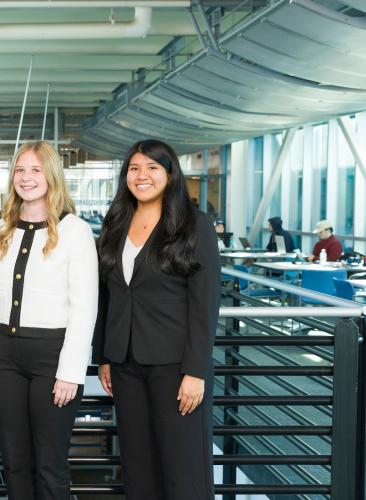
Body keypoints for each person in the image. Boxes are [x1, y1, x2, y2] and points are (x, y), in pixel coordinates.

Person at [0, 140, 99, 499]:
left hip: (52, 358)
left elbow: (84, 308)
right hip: (3, 357)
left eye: (35, 170)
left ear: (52, 175)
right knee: (14, 461)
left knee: (50, 465)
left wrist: (71, 372)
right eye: (19, 170)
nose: (26, 178)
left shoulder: (76, 231)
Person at [93, 139, 220, 500]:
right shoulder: (116, 222)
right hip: (125, 364)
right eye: (134, 168)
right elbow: (108, 293)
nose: (142, 175)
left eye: (152, 168)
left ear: (170, 174)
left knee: (183, 469)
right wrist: (104, 354)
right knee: (138, 466)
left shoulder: (194, 225)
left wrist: (195, 371)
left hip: (176, 367)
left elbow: (205, 304)